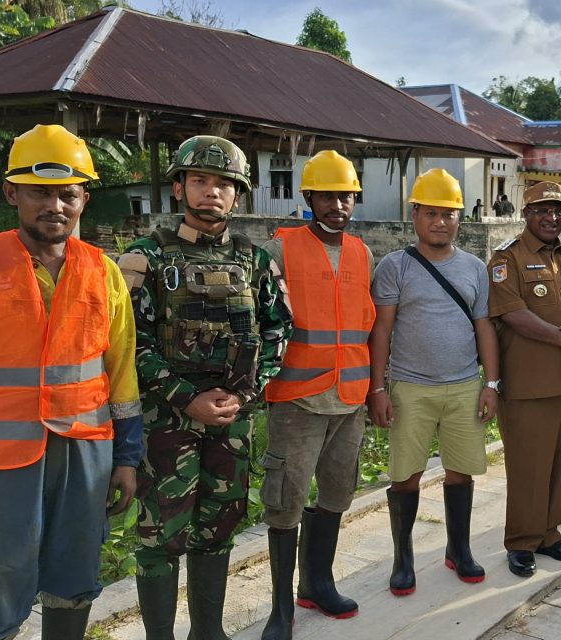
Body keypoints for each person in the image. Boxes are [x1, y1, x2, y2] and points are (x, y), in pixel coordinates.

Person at [0, 124, 142, 640]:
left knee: (74, 579)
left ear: (83, 197)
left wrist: (126, 460)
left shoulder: (104, 275)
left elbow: (122, 378)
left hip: (83, 462)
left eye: (68, 193)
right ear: (12, 192)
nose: (55, 205)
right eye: (40, 192)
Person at [121, 135, 287, 639]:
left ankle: (208, 631)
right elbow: (128, 343)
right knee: (160, 534)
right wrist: (186, 398)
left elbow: (279, 331)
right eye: (199, 181)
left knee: (219, 528)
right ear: (179, 188)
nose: (210, 192)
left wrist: (245, 396)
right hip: (167, 423)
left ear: (238, 195)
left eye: (223, 184)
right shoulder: (143, 259)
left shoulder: (256, 262)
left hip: (230, 420)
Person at [254, 150, 370, 636]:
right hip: (299, 399)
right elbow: (260, 322)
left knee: (339, 491)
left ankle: (317, 583)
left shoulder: (363, 252)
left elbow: (369, 324)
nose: (337, 204)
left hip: (351, 396)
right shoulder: (280, 250)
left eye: (345, 196)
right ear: (309, 198)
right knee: (286, 500)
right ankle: (281, 609)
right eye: (327, 195)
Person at [368, 168, 500, 594]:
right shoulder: (395, 266)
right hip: (410, 388)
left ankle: (458, 549)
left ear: (461, 217)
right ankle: (403, 558)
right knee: (405, 475)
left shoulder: (474, 268)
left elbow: (484, 328)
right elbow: (382, 331)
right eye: (430, 213)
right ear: (415, 216)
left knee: (461, 472)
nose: (440, 221)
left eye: (449, 213)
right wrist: (378, 389)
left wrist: (491, 384)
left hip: (464, 385)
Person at [488, 181, 561, 578]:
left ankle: (549, 535)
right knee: (527, 465)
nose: (551, 217)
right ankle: (521, 541)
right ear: (526, 214)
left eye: (557, 210)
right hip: (530, 382)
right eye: (542, 210)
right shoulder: (508, 259)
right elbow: (511, 312)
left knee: (560, 460)